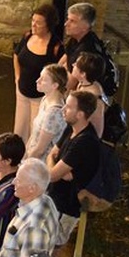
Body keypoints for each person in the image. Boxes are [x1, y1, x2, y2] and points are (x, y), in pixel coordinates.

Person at [47, 90, 101, 246]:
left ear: (80, 114)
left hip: (66, 207)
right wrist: (55, 165)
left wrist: (55, 166)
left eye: (69, 107)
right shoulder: (71, 128)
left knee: (52, 244)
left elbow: (52, 176)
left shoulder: (84, 142)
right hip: (55, 198)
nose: (63, 109)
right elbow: (51, 154)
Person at [13, 4, 64, 143]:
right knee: (19, 130)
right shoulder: (28, 36)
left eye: (39, 23)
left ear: (48, 25)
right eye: (33, 20)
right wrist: (17, 77)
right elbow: (16, 55)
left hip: (40, 97)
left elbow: (58, 73)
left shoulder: (55, 47)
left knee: (35, 132)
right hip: (22, 91)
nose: (34, 25)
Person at [25, 64, 68, 161]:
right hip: (32, 155)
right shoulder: (45, 99)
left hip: (42, 162)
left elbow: (40, 149)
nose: (37, 81)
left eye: (43, 79)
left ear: (55, 85)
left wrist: (24, 163)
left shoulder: (54, 113)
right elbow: (34, 136)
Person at [59, 2, 101, 91]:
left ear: (85, 26)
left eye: (72, 21)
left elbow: (71, 83)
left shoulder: (88, 49)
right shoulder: (75, 38)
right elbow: (62, 64)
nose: (66, 24)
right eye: (68, 19)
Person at [71, 52, 107, 137]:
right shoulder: (84, 83)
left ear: (83, 74)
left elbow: (98, 130)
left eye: (76, 64)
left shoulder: (94, 98)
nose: (73, 65)